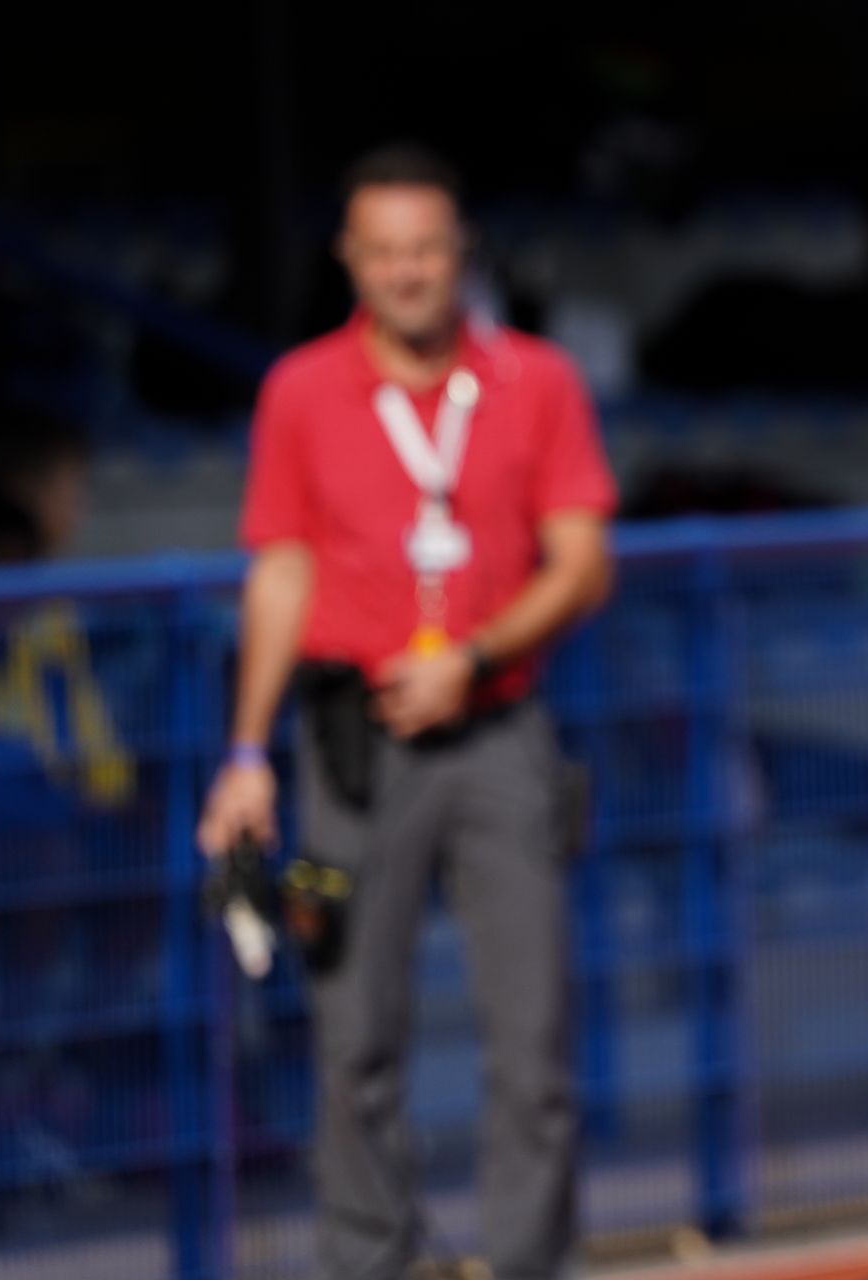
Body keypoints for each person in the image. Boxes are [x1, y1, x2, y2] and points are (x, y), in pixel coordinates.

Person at [196, 144, 618, 1280]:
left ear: (459, 249)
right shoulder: (301, 390)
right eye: (382, 251)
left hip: (497, 731)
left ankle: (533, 1262)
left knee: (533, 1045)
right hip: (350, 748)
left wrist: (472, 656)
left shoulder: (535, 380)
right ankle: (369, 1262)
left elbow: (581, 563)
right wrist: (245, 750)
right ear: (350, 257)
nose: (407, 271)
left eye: (426, 247)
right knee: (353, 1045)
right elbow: (279, 570)